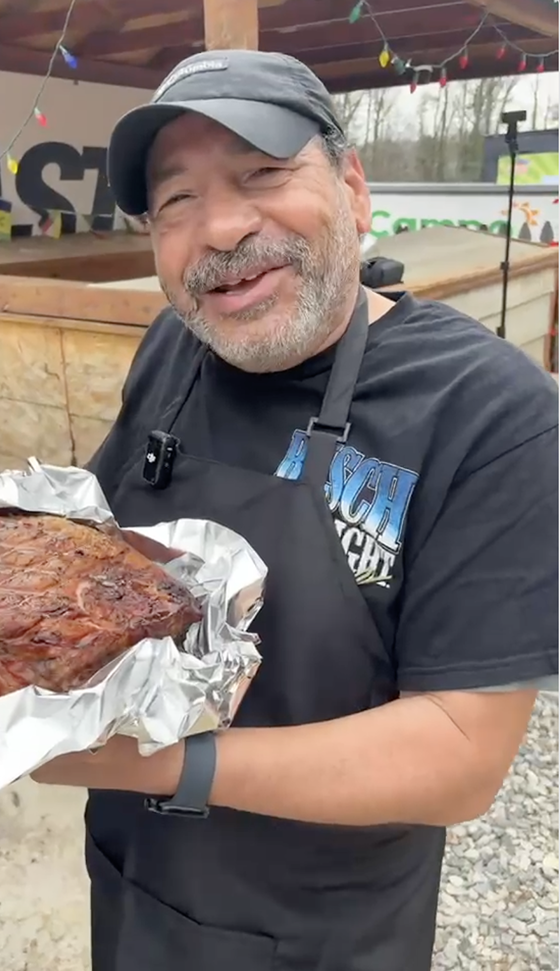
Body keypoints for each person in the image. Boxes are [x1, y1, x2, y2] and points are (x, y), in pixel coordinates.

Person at [31, 50, 558, 971]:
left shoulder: (489, 410)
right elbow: (93, 554)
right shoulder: (173, 345)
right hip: (135, 879)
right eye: (175, 203)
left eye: (262, 174)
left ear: (353, 187)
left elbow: (459, 752)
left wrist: (155, 762)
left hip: (321, 927)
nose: (221, 228)